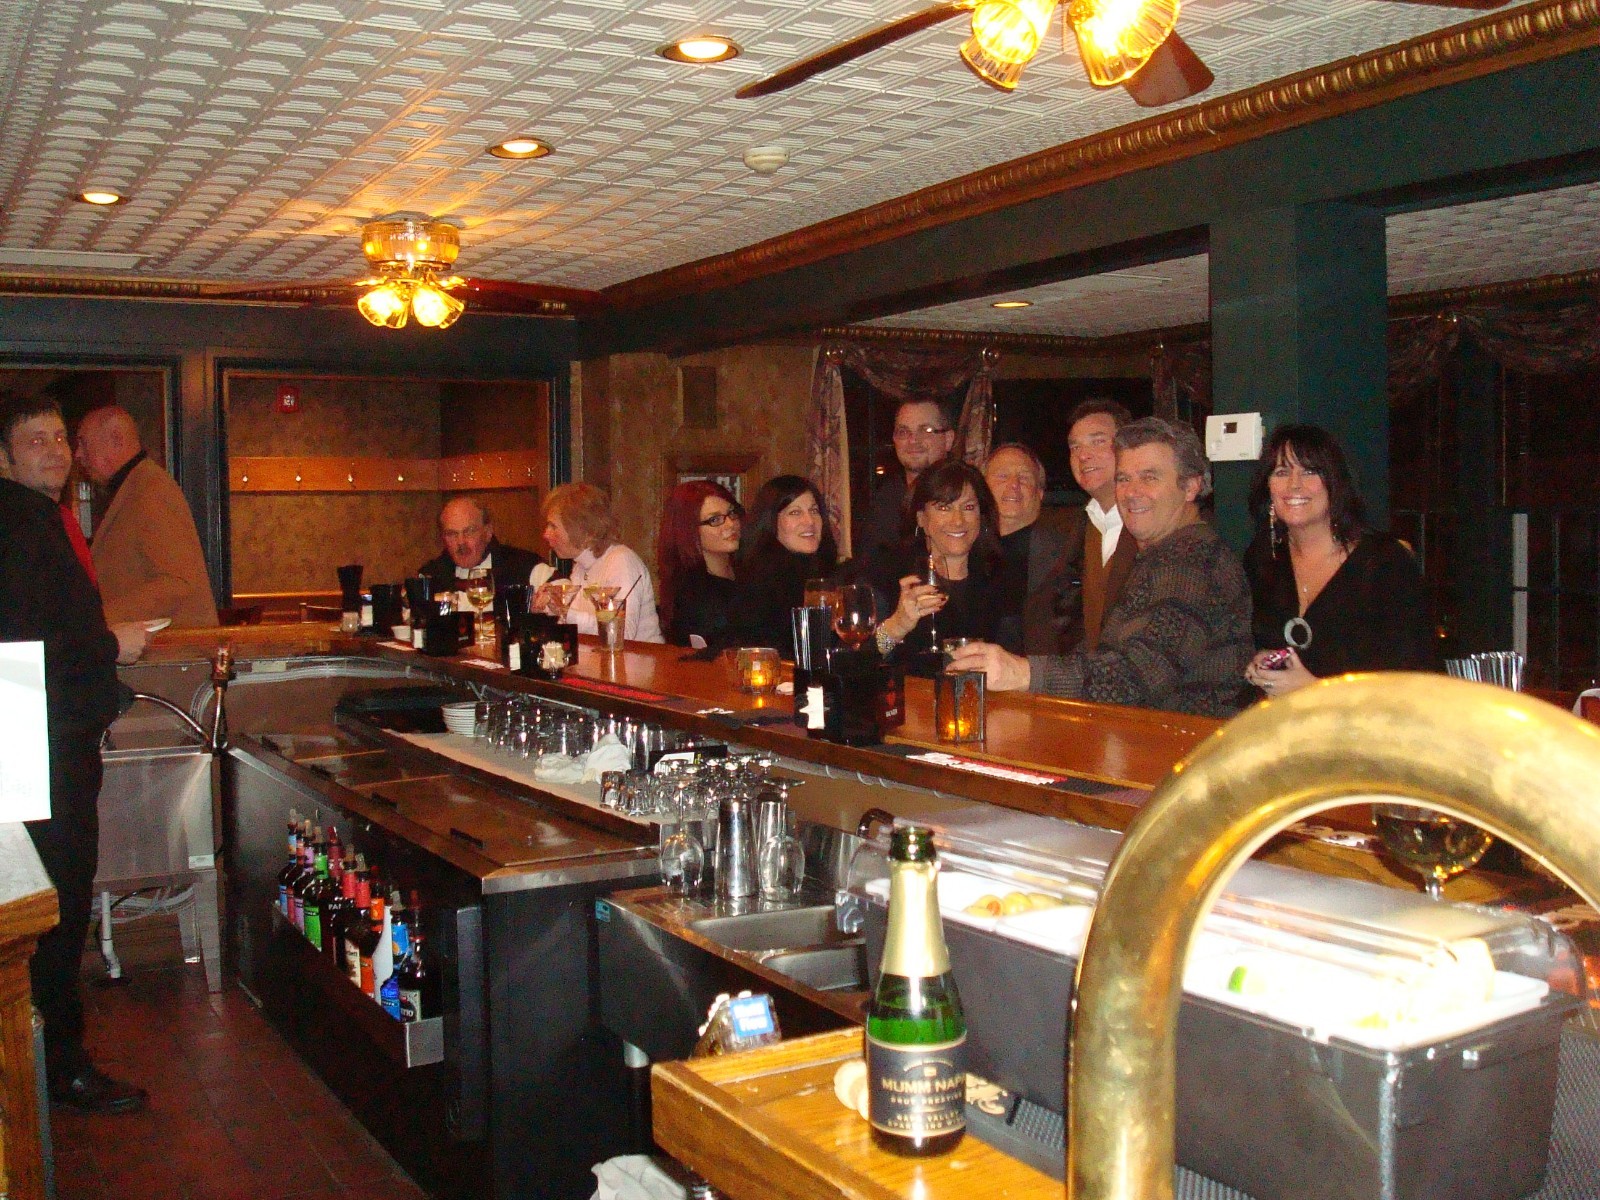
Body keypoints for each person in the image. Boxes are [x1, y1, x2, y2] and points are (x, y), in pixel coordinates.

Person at [0, 390, 149, 1114]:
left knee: (40, 899)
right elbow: (23, 640)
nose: (56, 452)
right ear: (3, 455)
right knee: (55, 903)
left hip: (27, 731)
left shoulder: (31, 518)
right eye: (36, 440)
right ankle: (60, 1068)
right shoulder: (21, 523)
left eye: (60, 438)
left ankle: (38, 1060)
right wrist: (109, 644)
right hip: (34, 736)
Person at [950, 417, 1253, 718]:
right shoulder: (1162, 554)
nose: (1132, 492)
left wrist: (1022, 672)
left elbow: (1135, 677)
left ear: (1190, 487)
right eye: (1123, 479)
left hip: (1185, 753)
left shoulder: (1190, 560)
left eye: (1149, 478)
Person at [1242, 424, 1437, 698]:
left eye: (1310, 471)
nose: (1294, 484)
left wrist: (1316, 689)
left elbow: (1414, 681)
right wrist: (1263, 662)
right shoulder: (1263, 558)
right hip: (1285, 729)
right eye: (1282, 472)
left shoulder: (1384, 563)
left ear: (1335, 484)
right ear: (1269, 488)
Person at [75, 404, 218, 628]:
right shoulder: (136, 487)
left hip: (170, 651)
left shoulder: (150, 490)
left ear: (116, 439)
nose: (78, 454)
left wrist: (97, 620)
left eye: (83, 443)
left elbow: (176, 584)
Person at [872, 460, 1008, 664]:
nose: (958, 520)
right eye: (944, 508)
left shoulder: (1002, 578)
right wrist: (897, 625)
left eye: (968, 507)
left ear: (982, 515)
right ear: (921, 518)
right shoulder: (891, 577)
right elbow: (857, 662)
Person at [725, 476, 839, 658]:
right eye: (795, 512)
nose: (809, 520)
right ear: (770, 521)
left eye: (814, 510)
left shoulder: (832, 576)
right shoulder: (761, 585)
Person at [535, 482, 663, 643]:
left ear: (584, 529)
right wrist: (547, 608)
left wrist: (564, 612)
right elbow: (577, 627)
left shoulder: (621, 561)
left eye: (553, 526)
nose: (546, 534)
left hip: (640, 664)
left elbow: (621, 633)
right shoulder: (581, 567)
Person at [983, 442, 1073, 654]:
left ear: (1040, 493)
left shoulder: (1066, 556)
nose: (1013, 484)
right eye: (1002, 476)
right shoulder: (960, 551)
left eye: (1024, 478)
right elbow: (887, 647)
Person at [858, 399, 956, 561]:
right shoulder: (885, 500)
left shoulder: (966, 495)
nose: (913, 440)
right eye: (903, 432)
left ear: (948, 439)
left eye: (925, 430)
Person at [657, 480, 741, 647]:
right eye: (715, 520)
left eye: (732, 513)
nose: (731, 524)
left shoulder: (750, 570)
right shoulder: (694, 594)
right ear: (688, 530)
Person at [418, 496, 543, 598]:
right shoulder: (430, 577)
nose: (461, 542)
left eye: (469, 531)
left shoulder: (525, 567)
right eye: (452, 534)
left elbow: (560, 599)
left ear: (488, 532)